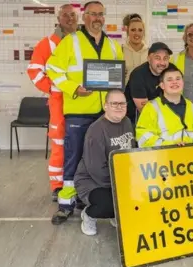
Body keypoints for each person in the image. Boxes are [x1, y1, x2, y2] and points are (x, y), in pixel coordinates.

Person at [46, 0, 124, 225]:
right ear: (84, 17)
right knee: (74, 156)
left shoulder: (112, 45)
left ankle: (91, 198)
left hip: (105, 113)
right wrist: (74, 88)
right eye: (92, 14)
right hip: (79, 110)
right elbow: (53, 70)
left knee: (102, 159)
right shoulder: (70, 42)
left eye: (101, 14)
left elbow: (118, 77)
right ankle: (66, 203)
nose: (97, 18)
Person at [26, 4, 78, 201]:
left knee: (81, 142)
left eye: (73, 15)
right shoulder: (47, 44)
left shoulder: (83, 41)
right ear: (58, 18)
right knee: (60, 143)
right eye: (66, 15)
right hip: (59, 102)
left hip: (82, 99)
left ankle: (78, 184)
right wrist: (53, 88)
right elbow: (34, 70)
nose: (70, 19)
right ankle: (58, 186)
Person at [74, 90, 135, 235]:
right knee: (110, 205)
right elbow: (96, 169)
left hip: (117, 177)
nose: (119, 107)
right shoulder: (96, 130)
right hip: (92, 180)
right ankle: (89, 215)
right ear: (105, 106)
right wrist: (118, 187)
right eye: (114, 103)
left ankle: (115, 214)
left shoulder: (127, 122)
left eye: (122, 103)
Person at [136, 65, 193, 147]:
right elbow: (143, 138)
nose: (174, 82)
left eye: (178, 79)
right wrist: (171, 145)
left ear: (183, 82)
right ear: (162, 85)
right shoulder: (151, 107)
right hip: (163, 157)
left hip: (190, 158)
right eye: (169, 80)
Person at [125, 42, 177, 126]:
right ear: (149, 59)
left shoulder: (172, 70)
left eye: (165, 58)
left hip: (166, 118)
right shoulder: (138, 75)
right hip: (137, 119)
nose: (162, 63)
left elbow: (176, 98)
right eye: (157, 58)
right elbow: (144, 110)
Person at [122, 13, 148, 84]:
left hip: (145, 94)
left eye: (140, 30)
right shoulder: (120, 51)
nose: (137, 33)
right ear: (128, 32)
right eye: (133, 30)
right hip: (124, 94)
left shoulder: (150, 52)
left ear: (143, 32)